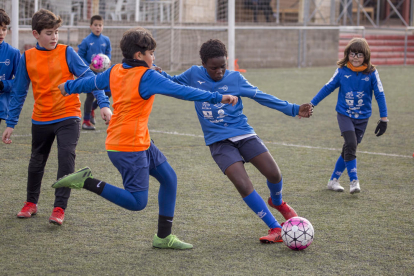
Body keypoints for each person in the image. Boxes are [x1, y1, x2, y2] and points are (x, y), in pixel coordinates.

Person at [52, 27, 238, 249]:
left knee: (169, 179)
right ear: (139, 56)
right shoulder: (146, 76)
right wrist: (218, 97)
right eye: (151, 53)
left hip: (138, 140)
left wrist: (68, 86)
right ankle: (87, 181)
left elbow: (90, 83)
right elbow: (182, 91)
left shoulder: (116, 70)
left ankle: (163, 237)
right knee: (137, 202)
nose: (154, 57)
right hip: (128, 146)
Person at [159, 39, 313, 244]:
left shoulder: (235, 78)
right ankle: (275, 227)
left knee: (274, 174)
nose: (220, 71)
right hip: (218, 141)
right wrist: (157, 74)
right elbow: (173, 83)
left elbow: (262, 96)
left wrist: (293, 109)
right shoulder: (193, 75)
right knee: (242, 183)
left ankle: (277, 202)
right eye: (214, 68)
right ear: (203, 64)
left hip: (243, 133)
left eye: (223, 66)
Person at [1, 9, 112, 225]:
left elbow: (90, 78)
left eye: (57, 32)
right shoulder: (27, 58)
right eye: (49, 33)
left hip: (68, 115)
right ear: (36, 34)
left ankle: (59, 207)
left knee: (66, 157)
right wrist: (11, 123)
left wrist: (104, 105)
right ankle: (30, 203)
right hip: (41, 118)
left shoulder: (67, 52)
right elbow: (19, 92)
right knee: (36, 162)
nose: (54, 37)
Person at [310, 38, 388, 194]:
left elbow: (379, 94)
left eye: (360, 54)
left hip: (363, 117)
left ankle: (333, 181)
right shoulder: (341, 71)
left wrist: (384, 118)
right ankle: (354, 181)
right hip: (344, 114)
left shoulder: (372, 73)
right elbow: (327, 88)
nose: (356, 58)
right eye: (353, 54)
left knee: (348, 148)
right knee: (351, 144)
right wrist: (311, 104)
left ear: (366, 56)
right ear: (347, 54)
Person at [77, 14, 112, 130]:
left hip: (102, 73)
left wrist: (108, 61)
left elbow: (108, 53)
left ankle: (92, 108)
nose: (98, 27)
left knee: (108, 92)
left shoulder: (106, 40)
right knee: (91, 95)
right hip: (90, 74)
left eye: (100, 25)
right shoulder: (86, 41)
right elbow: (80, 56)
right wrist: (89, 66)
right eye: (95, 25)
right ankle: (86, 121)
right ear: (90, 26)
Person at [0, 9, 21, 125]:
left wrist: (4, 85)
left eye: (4, 29)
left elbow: (20, 82)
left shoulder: (13, 53)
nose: (1, 33)